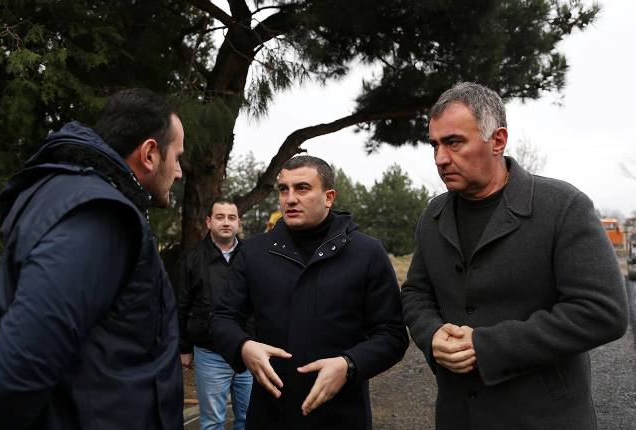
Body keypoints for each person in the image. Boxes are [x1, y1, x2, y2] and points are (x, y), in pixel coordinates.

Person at [401, 82, 628, 429]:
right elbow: (417, 292)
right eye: (435, 145)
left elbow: (603, 312)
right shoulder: (433, 215)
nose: (440, 159)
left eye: (454, 142)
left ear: (498, 140)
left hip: (543, 418)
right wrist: (431, 335)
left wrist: (487, 345)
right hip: (458, 416)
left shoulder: (562, 207)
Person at [0, 88, 185, 430]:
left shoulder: (80, 198)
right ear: (150, 153)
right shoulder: (99, 216)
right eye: (177, 157)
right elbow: (26, 355)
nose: (179, 172)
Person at [211, 155, 409, 430]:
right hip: (270, 415)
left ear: (329, 197)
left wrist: (349, 364)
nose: (290, 199)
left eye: (302, 188)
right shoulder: (254, 252)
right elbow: (222, 318)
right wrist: (243, 347)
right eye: (284, 189)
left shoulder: (367, 253)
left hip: (341, 416)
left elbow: (392, 335)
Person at [176, 199, 253, 430]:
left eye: (231, 217)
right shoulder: (191, 258)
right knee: (212, 422)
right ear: (209, 222)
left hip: (248, 352)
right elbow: (181, 304)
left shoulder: (252, 255)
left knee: (249, 419)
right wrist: (184, 348)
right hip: (210, 353)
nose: (226, 222)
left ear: (238, 223)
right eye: (220, 217)